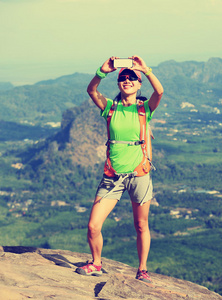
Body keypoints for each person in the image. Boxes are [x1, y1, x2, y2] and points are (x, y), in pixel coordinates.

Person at [75, 56, 163, 283]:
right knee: (93, 225)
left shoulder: (144, 109)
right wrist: (102, 71)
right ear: (118, 83)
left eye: (132, 78)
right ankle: (96, 263)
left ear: (139, 83)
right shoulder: (110, 108)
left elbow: (160, 93)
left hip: (139, 174)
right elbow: (91, 90)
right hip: (112, 176)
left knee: (141, 224)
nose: (127, 80)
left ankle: (142, 269)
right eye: (123, 78)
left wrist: (146, 69)